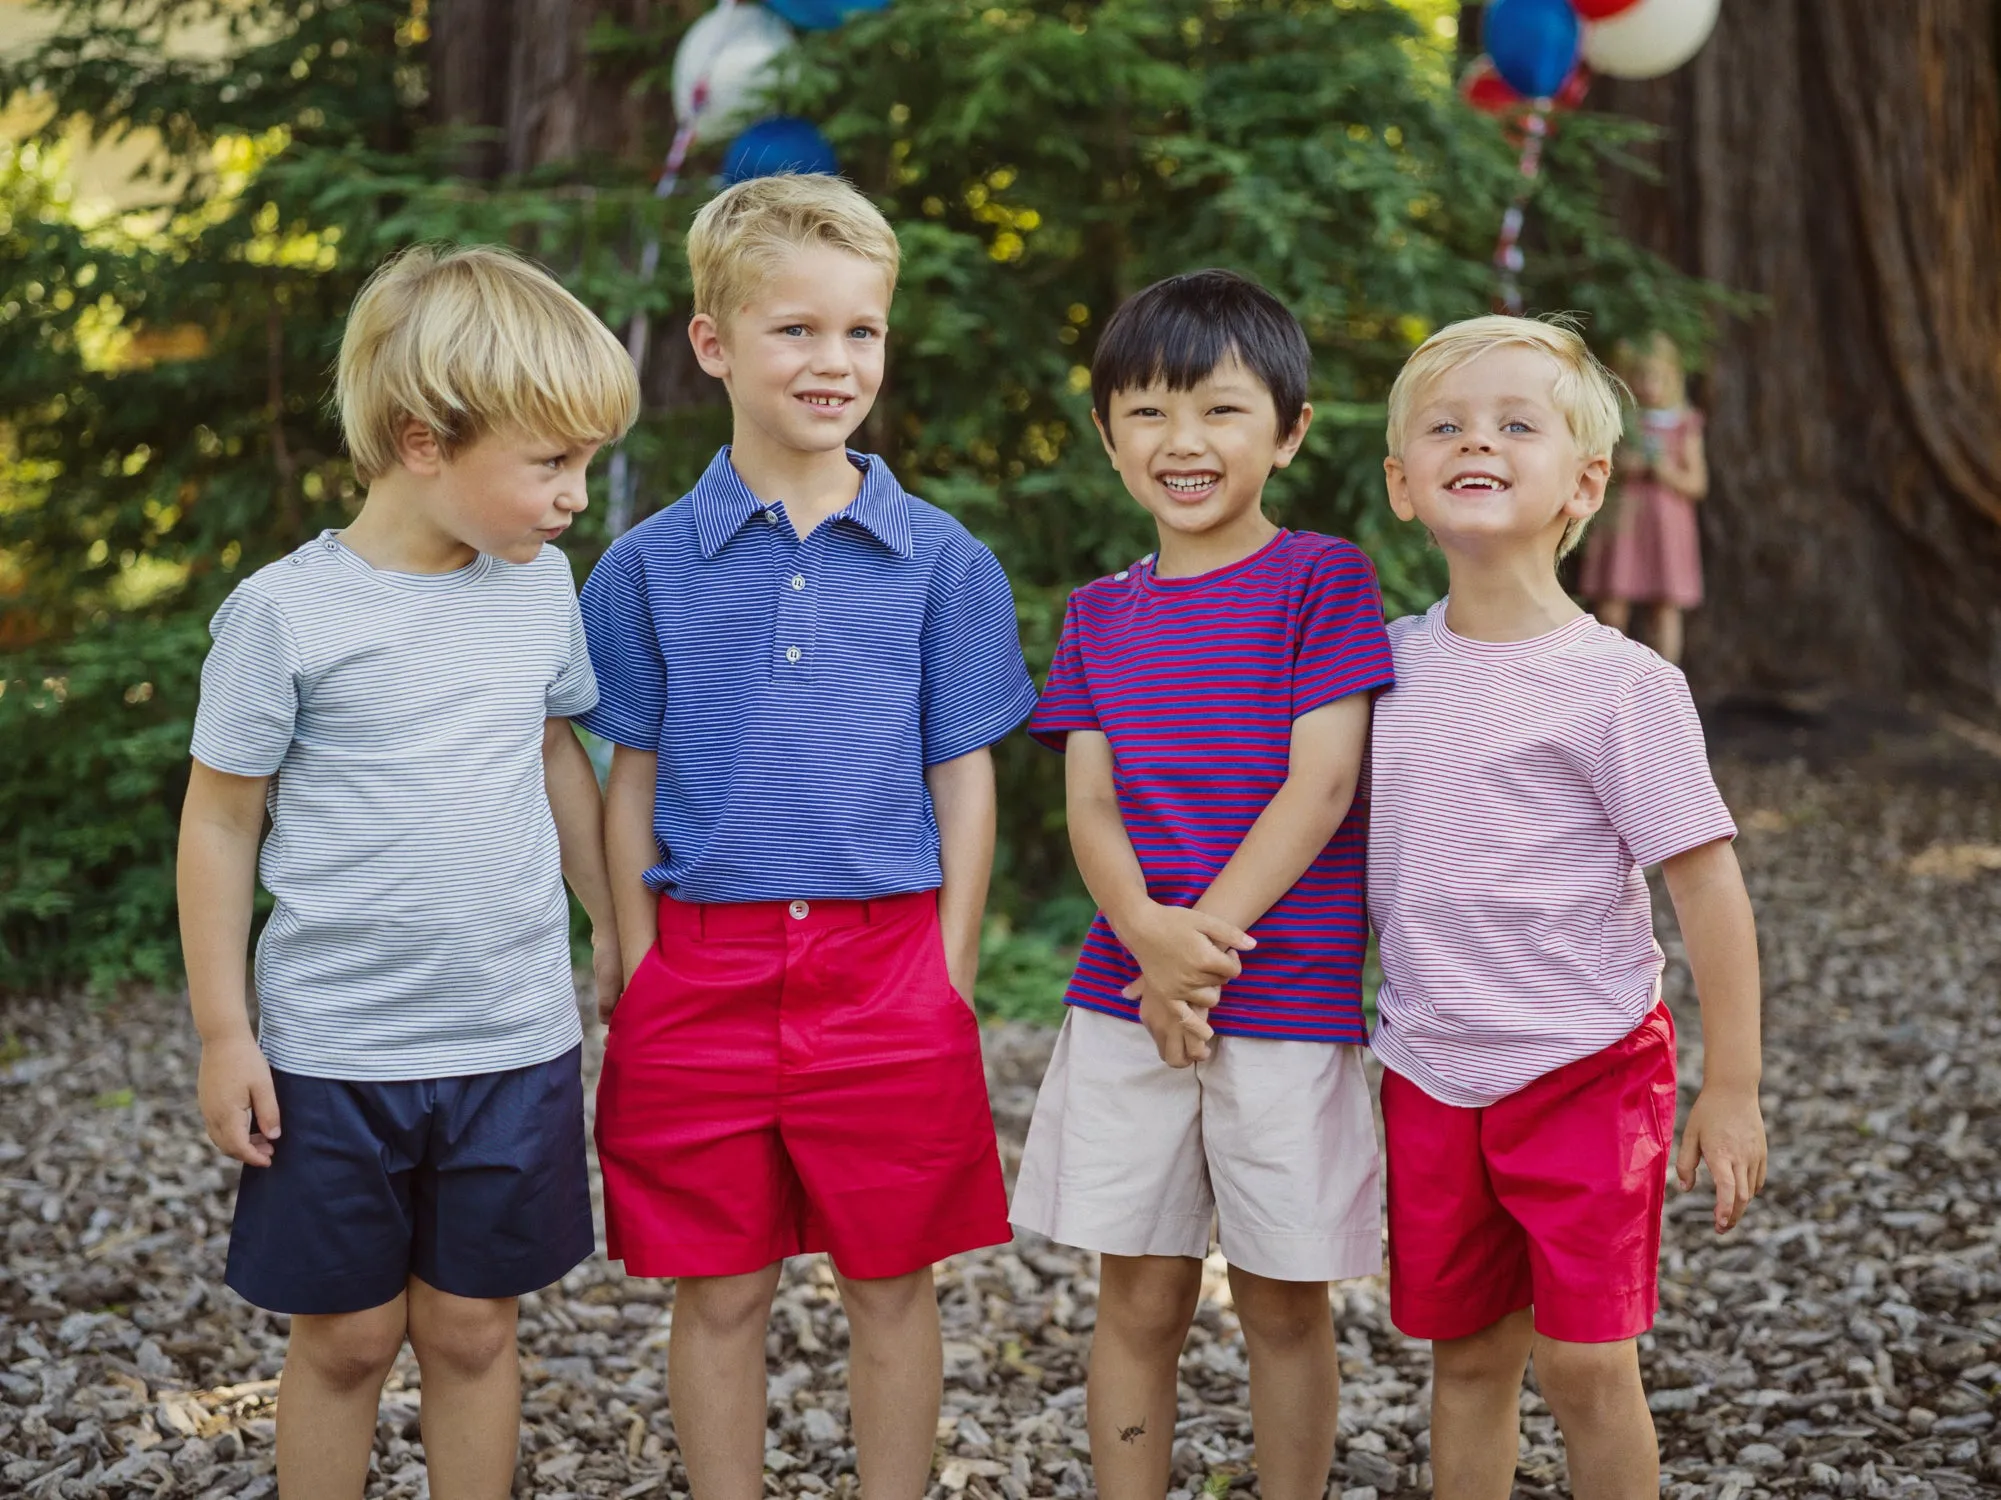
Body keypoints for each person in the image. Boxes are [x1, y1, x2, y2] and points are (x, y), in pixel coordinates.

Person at [577, 173, 1037, 1500]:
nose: (833, 362)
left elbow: (966, 780)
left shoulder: (943, 559)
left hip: (886, 966)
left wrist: (945, 972)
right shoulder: (647, 565)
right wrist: (633, 946)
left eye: (861, 333)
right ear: (713, 344)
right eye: (796, 330)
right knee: (718, 1296)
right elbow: (628, 776)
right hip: (701, 973)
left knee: (889, 1290)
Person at [178, 244, 636, 1499]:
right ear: (425, 441)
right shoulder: (286, 614)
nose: (575, 498)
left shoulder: (542, 592)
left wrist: (613, 926)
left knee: (477, 1331)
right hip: (337, 1052)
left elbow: (558, 755)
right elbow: (219, 823)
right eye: (551, 464)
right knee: (347, 1341)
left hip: (510, 1039)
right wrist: (228, 1033)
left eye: (585, 463)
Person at [1010, 270, 1396, 1500]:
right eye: (1149, 412)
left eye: (1222, 411)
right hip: (1128, 1000)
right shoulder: (1098, 614)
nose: (1184, 442)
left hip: (1282, 1006)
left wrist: (1195, 950)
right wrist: (1143, 940)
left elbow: (1322, 786)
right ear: (1108, 435)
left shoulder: (1322, 580)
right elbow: (1090, 803)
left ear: (1288, 432)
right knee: (1140, 1293)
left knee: (1285, 1300)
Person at [1373, 315, 1767, 1500]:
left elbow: (1705, 882)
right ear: (1402, 484)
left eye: (1513, 423)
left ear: (1585, 482)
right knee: (1471, 1358)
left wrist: (1734, 1083)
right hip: (1433, 1069)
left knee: (1588, 1364)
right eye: (1443, 426)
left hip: (1587, 1066)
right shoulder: (1377, 666)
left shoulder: (1623, 685)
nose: (1474, 441)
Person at [1579, 331, 1708, 664]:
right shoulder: (1619, 421)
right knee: (1612, 599)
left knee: (1665, 606)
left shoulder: (1682, 423)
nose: (1648, 385)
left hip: (1667, 526)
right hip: (1625, 520)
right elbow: (1595, 466)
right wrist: (1623, 467)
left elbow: (1697, 483)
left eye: (1656, 377)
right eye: (1639, 376)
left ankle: (1666, 679)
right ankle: (1608, 674)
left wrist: (1667, 472)